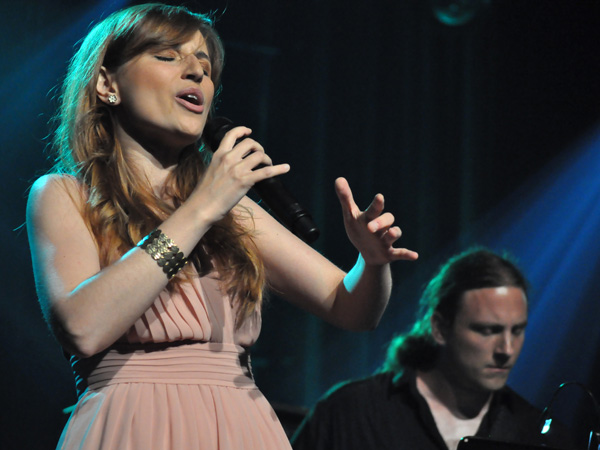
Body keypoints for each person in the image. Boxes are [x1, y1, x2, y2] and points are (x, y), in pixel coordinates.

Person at [25, 3, 418, 449]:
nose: (196, 71)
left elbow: (353, 309)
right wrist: (203, 206)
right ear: (107, 84)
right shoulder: (65, 195)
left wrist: (372, 263)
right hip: (130, 425)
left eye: (205, 65)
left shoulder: (230, 210)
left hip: (239, 427)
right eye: (167, 56)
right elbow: (83, 328)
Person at [291, 248, 575, 450]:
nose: (507, 349)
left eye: (517, 330)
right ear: (439, 327)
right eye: (487, 330)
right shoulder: (350, 411)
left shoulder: (540, 436)